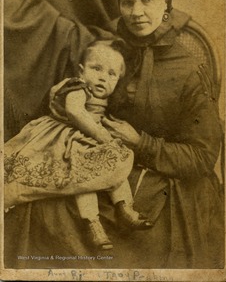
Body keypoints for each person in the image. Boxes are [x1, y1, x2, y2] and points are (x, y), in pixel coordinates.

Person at [95, 0, 223, 268]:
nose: (136, 12)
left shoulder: (188, 65)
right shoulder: (105, 49)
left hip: (174, 186)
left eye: (147, 0)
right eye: (127, 2)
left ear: (165, 1)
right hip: (111, 176)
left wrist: (141, 143)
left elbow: (203, 155)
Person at [4, 37, 152, 251]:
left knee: (112, 162)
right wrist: (103, 136)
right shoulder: (77, 87)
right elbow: (75, 112)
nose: (103, 78)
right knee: (83, 177)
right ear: (82, 71)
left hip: (86, 138)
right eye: (97, 69)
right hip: (63, 136)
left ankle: (125, 208)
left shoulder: (107, 98)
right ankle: (92, 222)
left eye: (111, 74)